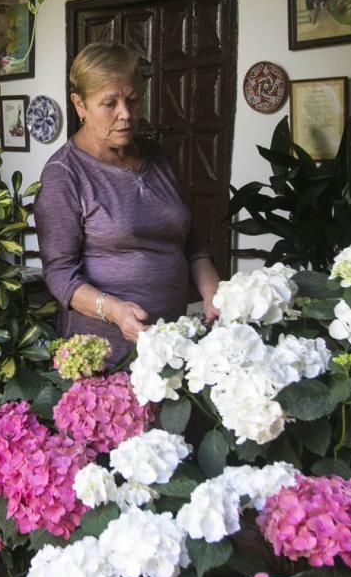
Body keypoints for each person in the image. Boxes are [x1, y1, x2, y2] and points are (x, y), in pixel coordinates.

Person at [34, 43, 221, 364]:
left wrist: (213, 292)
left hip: (171, 341)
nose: (126, 113)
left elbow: (192, 242)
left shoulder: (157, 156)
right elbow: (60, 274)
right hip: (104, 351)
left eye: (132, 100)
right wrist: (115, 312)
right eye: (110, 103)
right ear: (80, 105)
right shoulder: (64, 174)